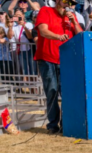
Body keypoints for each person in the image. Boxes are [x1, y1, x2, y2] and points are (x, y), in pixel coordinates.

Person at [34, 0, 82, 134]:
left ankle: (66, 124)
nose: (68, 4)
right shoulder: (46, 11)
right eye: (66, 1)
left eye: (70, 2)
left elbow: (80, 36)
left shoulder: (72, 16)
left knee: (67, 93)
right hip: (47, 59)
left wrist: (74, 23)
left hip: (65, 60)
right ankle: (53, 125)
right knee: (52, 92)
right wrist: (58, 37)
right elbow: (43, 31)